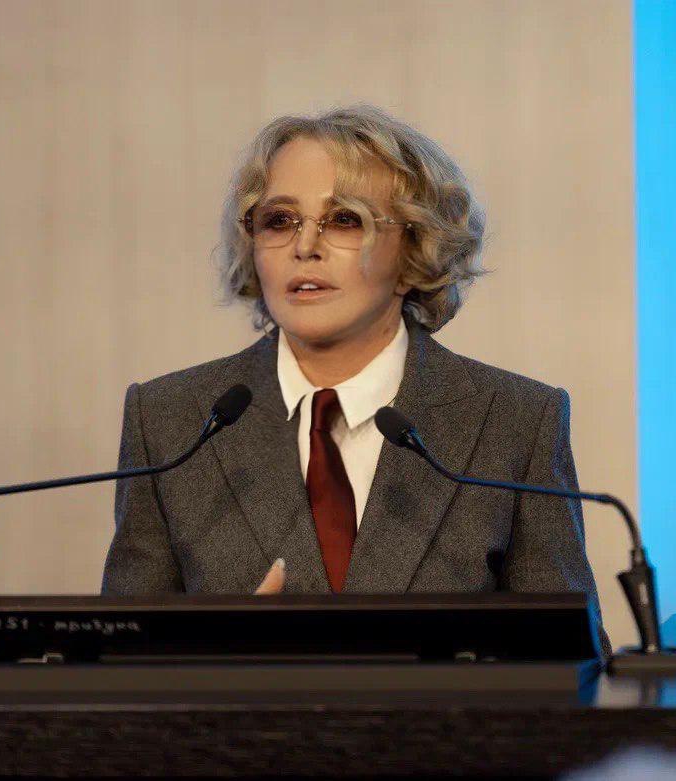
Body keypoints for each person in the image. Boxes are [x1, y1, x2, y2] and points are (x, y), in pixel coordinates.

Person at [100, 105, 606, 645]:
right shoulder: (171, 420)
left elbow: (572, 657)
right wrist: (218, 655)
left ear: (414, 251)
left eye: (344, 219)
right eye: (279, 221)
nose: (304, 247)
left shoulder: (513, 420)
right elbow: (120, 662)